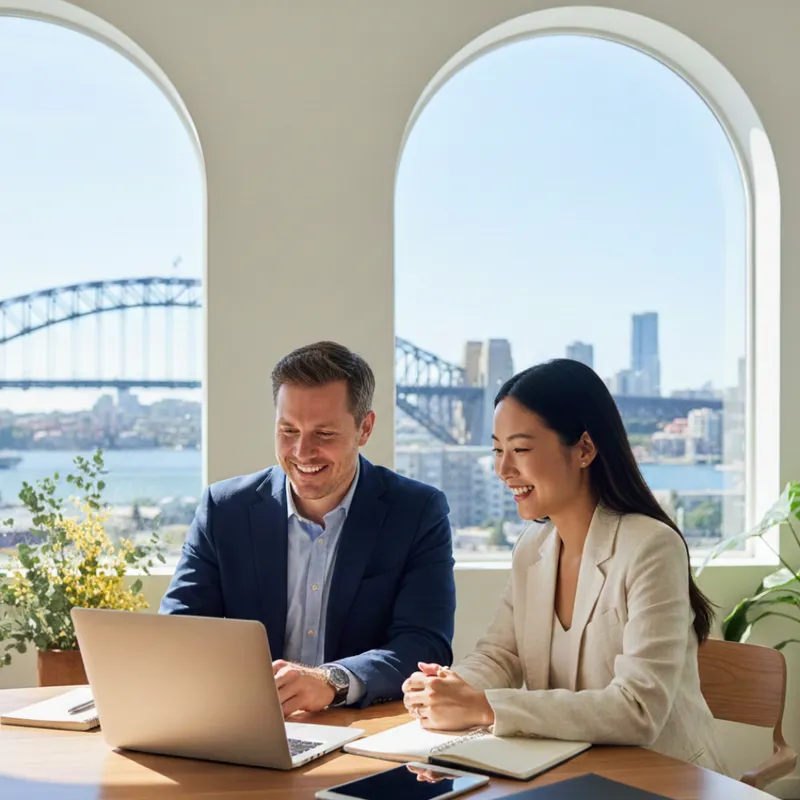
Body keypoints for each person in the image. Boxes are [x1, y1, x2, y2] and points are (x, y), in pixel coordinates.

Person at [402, 359, 728, 774]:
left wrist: (484, 707)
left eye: (520, 449)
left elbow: (637, 708)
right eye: (498, 450)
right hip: (567, 771)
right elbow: (501, 654)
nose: (503, 470)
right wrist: (450, 687)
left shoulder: (651, 547)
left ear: (585, 449)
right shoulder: (532, 548)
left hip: (663, 777)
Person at [161, 341, 456, 714]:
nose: (302, 452)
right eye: (288, 431)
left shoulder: (417, 512)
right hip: (246, 721)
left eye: (324, 434)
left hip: (361, 730)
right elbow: (180, 630)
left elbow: (425, 643)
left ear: (365, 428)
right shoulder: (224, 509)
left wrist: (332, 681)